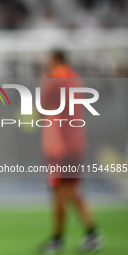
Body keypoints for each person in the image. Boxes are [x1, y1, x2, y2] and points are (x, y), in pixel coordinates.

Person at [40, 50, 103, 254]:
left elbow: (42, 107)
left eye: (49, 61)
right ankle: (89, 234)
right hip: (75, 142)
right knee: (69, 191)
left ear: (56, 61)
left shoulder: (56, 80)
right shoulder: (75, 79)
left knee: (61, 191)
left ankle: (60, 239)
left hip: (60, 145)